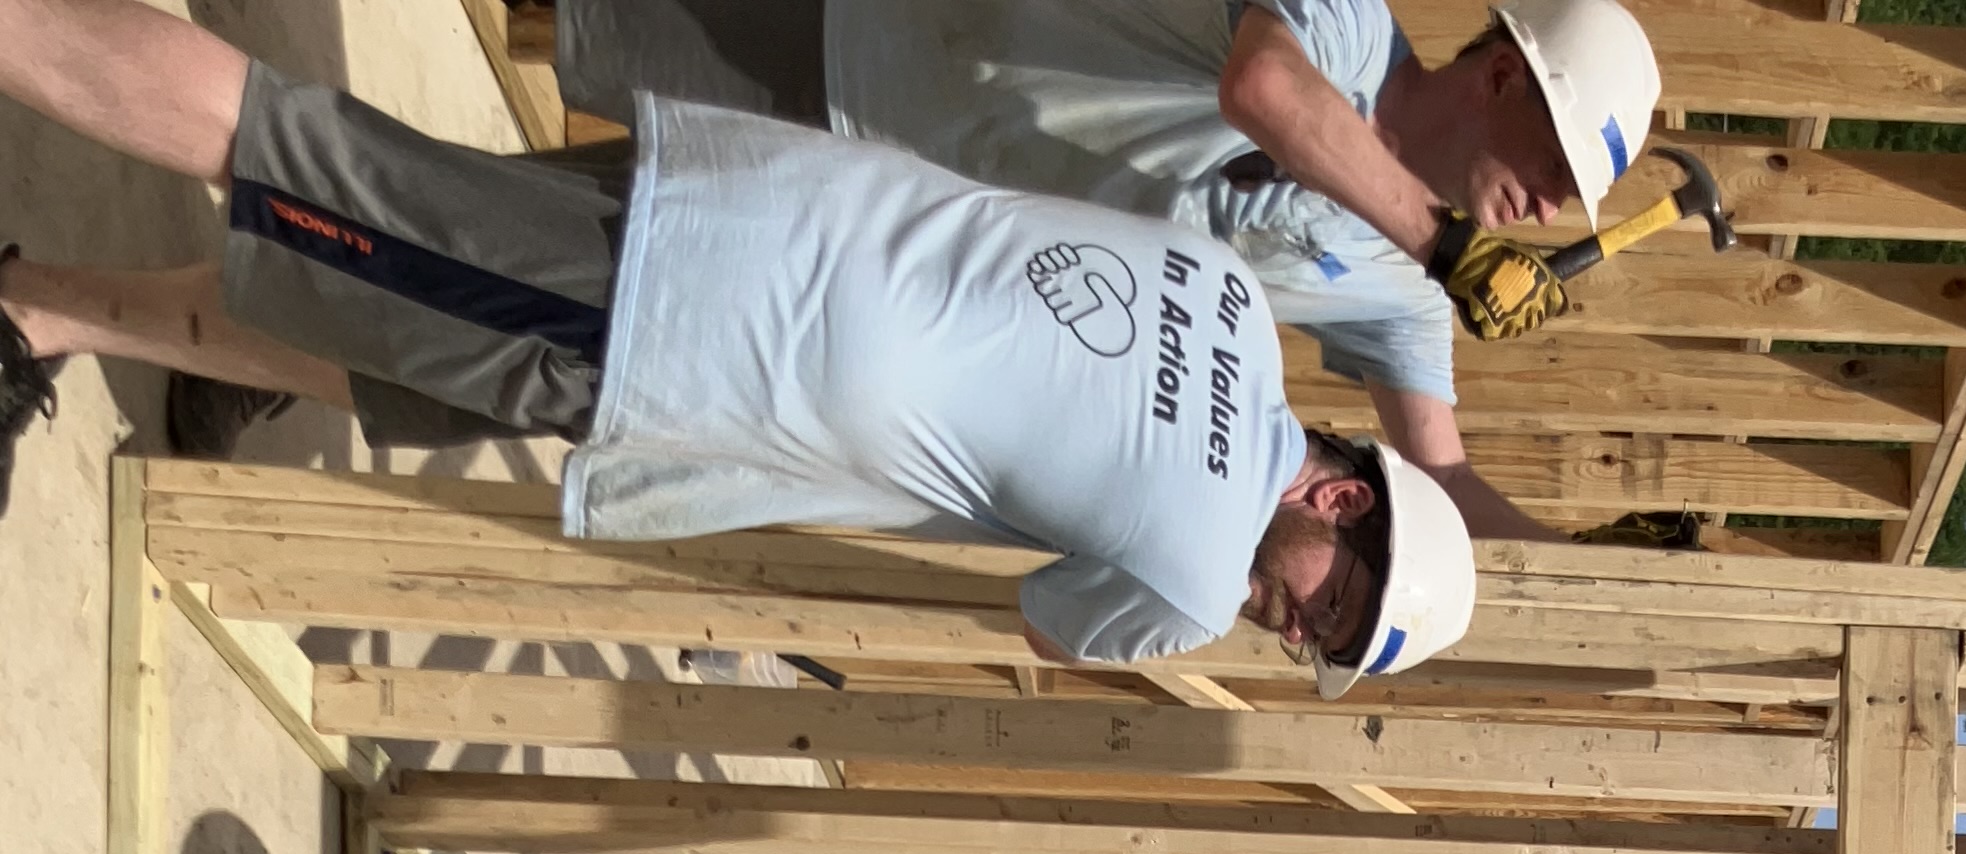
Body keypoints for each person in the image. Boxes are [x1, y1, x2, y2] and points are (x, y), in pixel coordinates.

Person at [0, 0, 1478, 683]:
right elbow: (1043, 620)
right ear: (1340, 497)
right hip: (689, 339)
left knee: (397, 363)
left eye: (1320, 651)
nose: (1292, 632)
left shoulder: (1229, 297)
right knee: (312, 163)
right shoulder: (1179, 586)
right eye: (1327, 611)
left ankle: (42, 305)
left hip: (747, 196)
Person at [546, 0, 1664, 544]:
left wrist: (1579, 563)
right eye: (1560, 162)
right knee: (570, 22)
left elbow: (1443, 484)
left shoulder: (1407, 286)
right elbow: (1266, 97)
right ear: (1504, 79)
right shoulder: (1345, 20)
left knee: (562, 240)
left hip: (877, 222)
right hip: (860, 47)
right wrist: (1438, 238)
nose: (1558, 205)